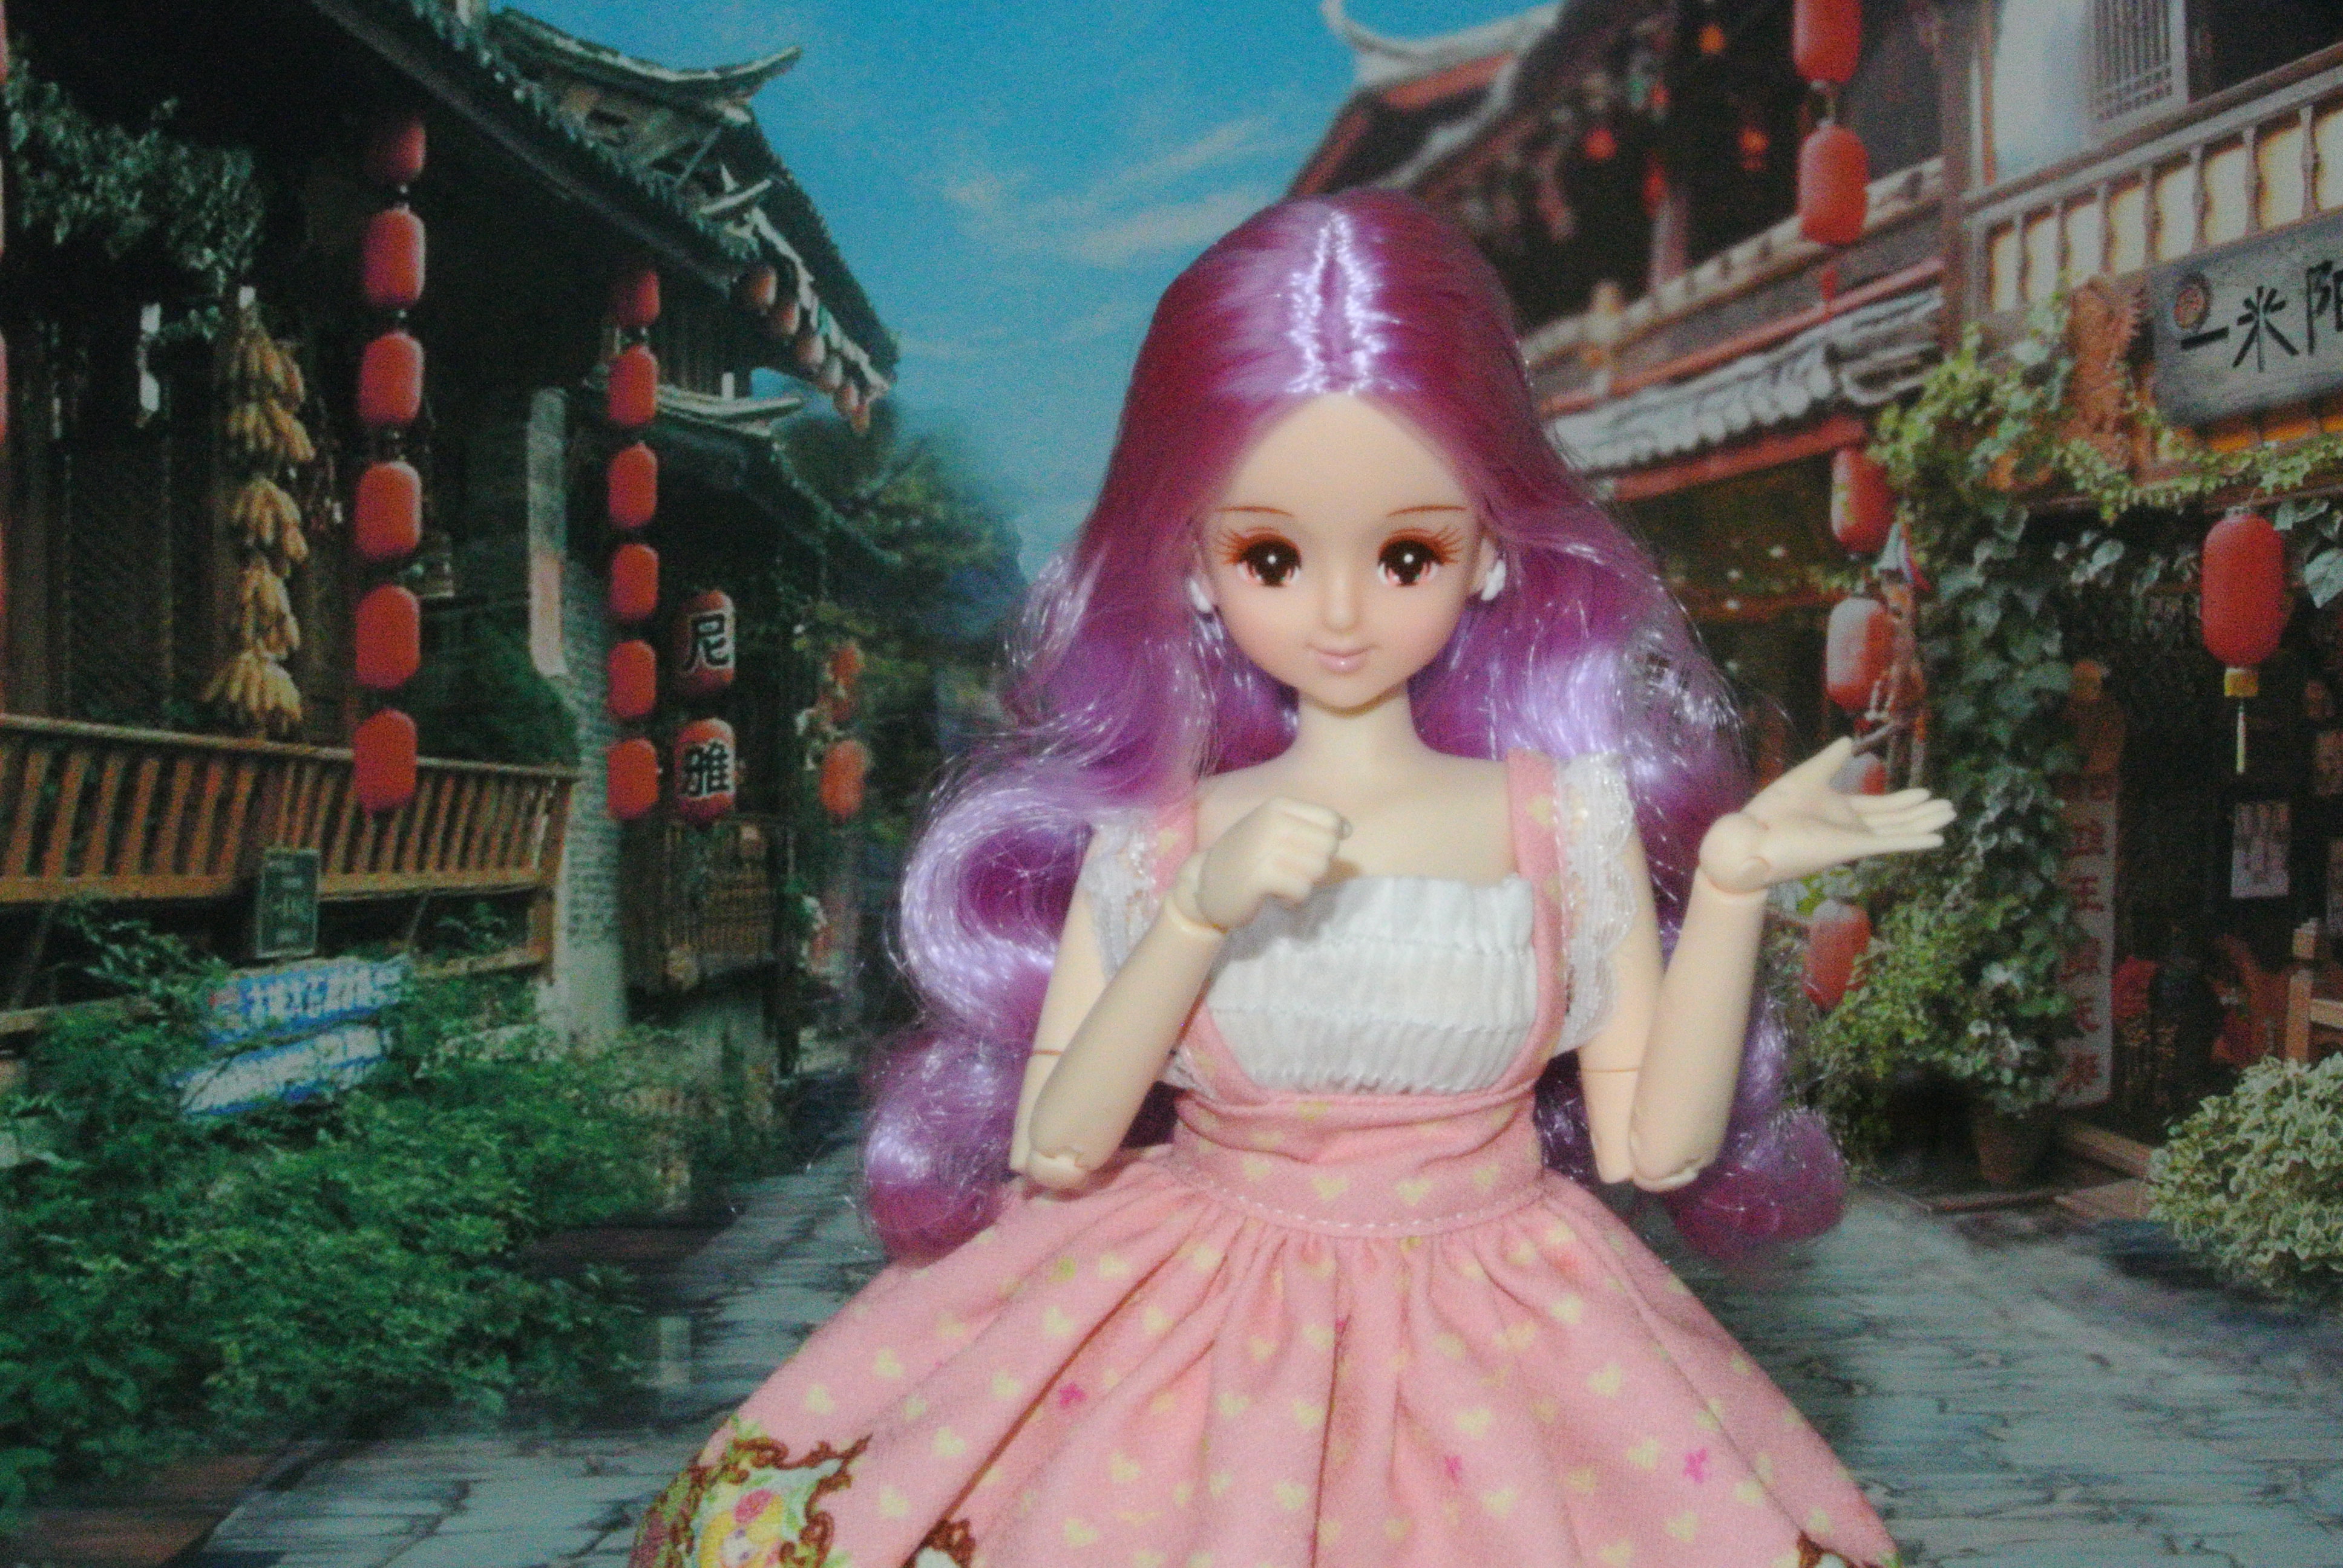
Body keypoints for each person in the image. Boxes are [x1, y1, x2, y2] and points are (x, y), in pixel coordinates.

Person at [631, 191, 1949, 1568]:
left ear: (1489, 553)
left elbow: (1652, 1155)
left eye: (1405, 555)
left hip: (1501, 1319)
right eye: (1271, 555)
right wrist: (1195, 915)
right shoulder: (1161, 838)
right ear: (1197, 568)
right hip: (1191, 1315)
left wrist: (1730, 889)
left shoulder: (1565, 823)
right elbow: (1060, 1146)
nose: (1339, 611)